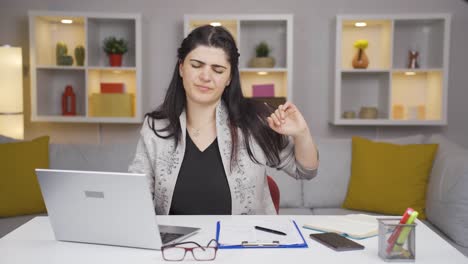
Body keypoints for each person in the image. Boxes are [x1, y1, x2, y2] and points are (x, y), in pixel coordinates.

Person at [129, 25, 319, 215]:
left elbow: (305, 171)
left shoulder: (255, 120)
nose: (205, 76)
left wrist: (302, 134)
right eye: (196, 65)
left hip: (244, 242)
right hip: (177, 244)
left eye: (218, 70)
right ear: (181, 68)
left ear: (229, 78)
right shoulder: (155, 127)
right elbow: (135, 196)